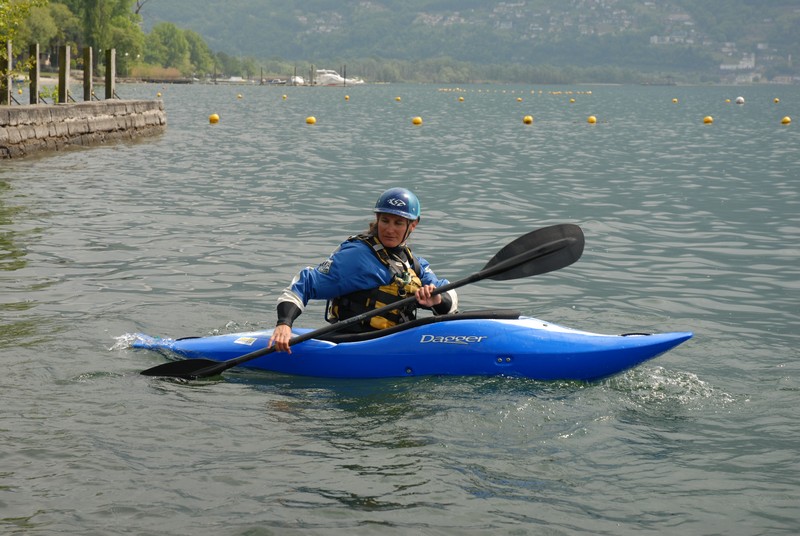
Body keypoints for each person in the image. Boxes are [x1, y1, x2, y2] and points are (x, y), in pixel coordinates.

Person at [268, 187, 458, 353]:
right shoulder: (357, 256)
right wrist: (284, 324)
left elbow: (449, 295)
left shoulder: (413, 263)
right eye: (385, 220)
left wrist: (437, 300)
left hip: (393, 341)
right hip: (354, 342)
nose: (389, 229)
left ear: (413, 225)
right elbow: (307, 283)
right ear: (377, 219)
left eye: (398, 223)